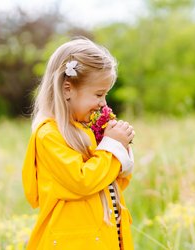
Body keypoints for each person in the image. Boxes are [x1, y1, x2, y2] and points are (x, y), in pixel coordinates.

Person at [22, 37, 135, 250]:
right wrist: (112, 149)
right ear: (67, 89)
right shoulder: (49, 135)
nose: (104, 103)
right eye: (99, 94)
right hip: (72, 243)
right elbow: (82, 182)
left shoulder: (88, 130)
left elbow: (114, 183)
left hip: (105, 239)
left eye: (106, 94)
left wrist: (122, 147)